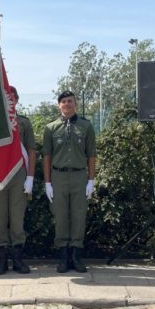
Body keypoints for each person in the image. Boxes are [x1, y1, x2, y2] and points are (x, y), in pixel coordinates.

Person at [42, 90, 96, 273]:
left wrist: (91, 180)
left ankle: (76, 255)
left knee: (79, 216)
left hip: (79, 176)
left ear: (75, 104)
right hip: (58, 176)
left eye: (70, 101)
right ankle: (64, 257)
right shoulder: (50, 128)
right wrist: (47, 182)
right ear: (59, 105)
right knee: (61, 216)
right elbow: (47, 156)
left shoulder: (86, 126)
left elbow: (91, 155)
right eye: (64, 101)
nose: (67, 104)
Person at [0, 86, 36, 275]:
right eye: (6, 98)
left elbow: (32, 150)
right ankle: (1, 259)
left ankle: (18, 259)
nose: (10, 100)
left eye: (12, 97)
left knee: (17, 218)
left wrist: (31, 177)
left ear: (17, 100)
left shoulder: (24, 122)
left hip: (19, 174)